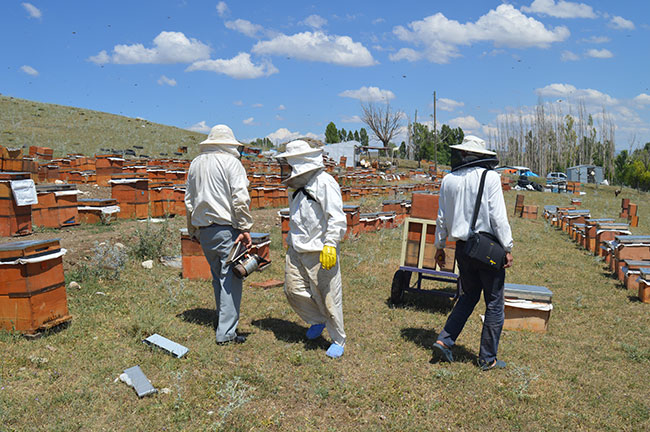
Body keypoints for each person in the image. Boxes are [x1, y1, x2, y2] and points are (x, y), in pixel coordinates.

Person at [431, 135, 514, 371]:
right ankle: (488, 358)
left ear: (464, 154)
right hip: (487, 249)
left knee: (468, 296)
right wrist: (507, 247)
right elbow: (498, 217)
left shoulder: (448, 180)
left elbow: (441, 218)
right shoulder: (490, 178)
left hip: (463, 250)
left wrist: (439, 247)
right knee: (495, 303)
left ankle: (444, 340)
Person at [275, 140, 348, 358]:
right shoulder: (296, 188)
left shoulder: (325, 182)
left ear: (299, 163)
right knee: (293, 290)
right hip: (297, 248)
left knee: (328, 297)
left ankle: (338, 339)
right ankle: (317, 320)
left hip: (320, 251)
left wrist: (330, 244)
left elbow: (336, 216)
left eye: (288, 164)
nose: (285, 169)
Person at [184, 124, 253, 345]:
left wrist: (192, 229)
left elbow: (189, 200)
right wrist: (245, 227)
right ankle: (226, 334)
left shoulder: (196, 163)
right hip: (226, 231)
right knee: (230, 280)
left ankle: (223, 322)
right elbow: (240, 198)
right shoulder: (232, 163)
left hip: (205, 232)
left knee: (219, 278)